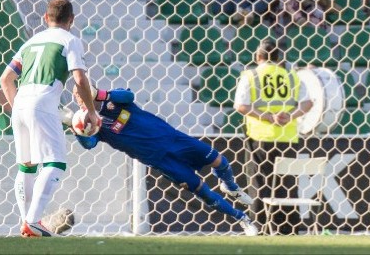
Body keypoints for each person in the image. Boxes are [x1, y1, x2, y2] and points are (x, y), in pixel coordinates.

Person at [70, 87, 259, 236]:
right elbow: (89, 144)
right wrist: (77, 130)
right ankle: (242, 218)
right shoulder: (91, 126)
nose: (82, 97)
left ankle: (231, 187)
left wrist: (101, 94)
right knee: (202, 191)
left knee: (220, 160)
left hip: (173, 139)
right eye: (78, 95)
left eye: (84, 91)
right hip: (160, 160)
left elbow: (129, 96)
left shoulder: (112, 100)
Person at [0, 0, 99, 237]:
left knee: (26, 166)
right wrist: (91, 112)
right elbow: (80, 79)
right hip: (42, 102)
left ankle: (26, 223)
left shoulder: (31, 42)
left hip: (20, 102)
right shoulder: (70, 40)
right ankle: (33, 221)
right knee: (55, 164)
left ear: (46, 18)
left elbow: (5, 79)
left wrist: (19, 109)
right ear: (71, 20)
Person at [234, 38, 313, 235]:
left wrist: (268, 117)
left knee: (260, 184)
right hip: (288, 138)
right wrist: (289, 116)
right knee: (287, 184)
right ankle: (288, 228)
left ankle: (261, 227)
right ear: (279, 57)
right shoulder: (291, 76)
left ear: (258, 56)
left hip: (260, 138)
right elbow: (308, 103)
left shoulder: (251, 75)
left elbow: (241, 106)